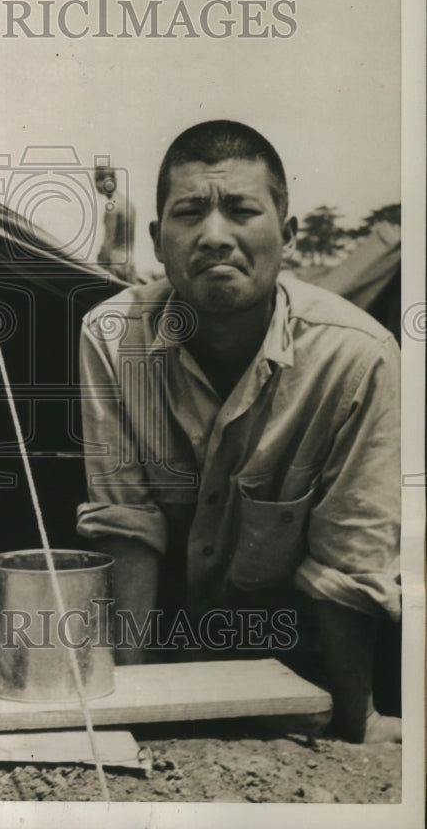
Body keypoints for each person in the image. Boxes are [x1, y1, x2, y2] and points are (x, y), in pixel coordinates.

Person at [77, 119, 400, 743]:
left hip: (299, 671)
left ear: (288, 234)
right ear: (157, 238)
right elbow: (126, 521)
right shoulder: (112, 337)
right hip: (166, 664)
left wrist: (356, 716)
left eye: (242, 210)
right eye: (190, 212)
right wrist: (136, 707)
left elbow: (350, 557)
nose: (214, 236)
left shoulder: (358, 355)